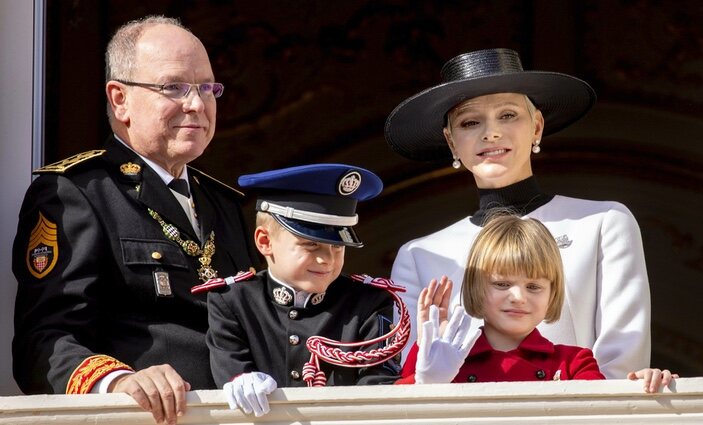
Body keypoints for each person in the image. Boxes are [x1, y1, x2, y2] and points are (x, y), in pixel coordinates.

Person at [12, 15, 255, 425]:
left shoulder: (225, 203)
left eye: (207, 88)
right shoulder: (78, 193)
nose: (197, 104)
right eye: (174, 87)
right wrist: (118, 383)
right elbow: (45, 343)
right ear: (120, 99)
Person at [385, 48, 650, 378]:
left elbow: (622, 369)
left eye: (508, 115)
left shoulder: (604, 224)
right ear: (452, 142)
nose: (490, 133)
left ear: (536, 126)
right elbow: (413, 381)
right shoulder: (418, 255)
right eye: (470, 122)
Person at [202, 164, 405, 417]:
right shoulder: (232, 301)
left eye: (338, 247)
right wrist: (241, 378)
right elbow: (231, 369)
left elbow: (378, 386)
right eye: (311, 244)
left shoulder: (369, 303)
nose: (327, 260)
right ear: (265, 241)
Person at [396, 214, 675, 393]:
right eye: (502, 284)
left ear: (552, 294)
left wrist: (642, 385)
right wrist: (427, 384)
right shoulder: (440, 355)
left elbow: (604, 416)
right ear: (475, 289)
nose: (518, 297)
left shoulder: (573, 363)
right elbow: (391, 416)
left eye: (534, 286)